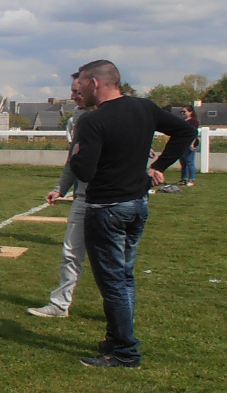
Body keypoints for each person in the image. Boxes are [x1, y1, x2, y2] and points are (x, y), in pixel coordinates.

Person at [68, 59, 196, 368]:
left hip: (106, 209)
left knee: (113, 282)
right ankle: (116, 339)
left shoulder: (92, 121)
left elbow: (84, 171)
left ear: (95, 83)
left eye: (81, 84)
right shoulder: (144, 107)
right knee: (124, 277)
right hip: (137, 205)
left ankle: (124, 351)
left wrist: (75, 153)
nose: (79, 90)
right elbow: (183, 133)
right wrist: (158, 167)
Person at [29, 78, 92, 319]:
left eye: (78, 91)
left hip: (114, 201)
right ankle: (59, 305)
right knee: (71, 254)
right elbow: (74, 157)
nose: (74, 96)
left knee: (114, 260)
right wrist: (61, 187)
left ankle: (120, 310)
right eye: (73, 91)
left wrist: (154, 167)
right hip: (84, 197)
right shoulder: (80, 117)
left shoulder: (122, 113)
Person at [176, 105, 199, 187]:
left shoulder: (193, 122)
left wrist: (191, 144)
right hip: (182, 144)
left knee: (190, 162)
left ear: (190, 112)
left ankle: (191, 179)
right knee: (183, 163)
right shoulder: (182, 121)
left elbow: (193, 133)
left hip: (190, 144)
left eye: (184, 111)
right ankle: (183, 179)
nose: (183, 113)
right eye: (181, 112)